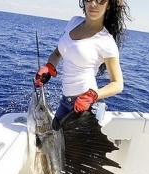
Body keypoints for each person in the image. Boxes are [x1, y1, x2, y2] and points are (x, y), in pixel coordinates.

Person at [35, 0, 132, 130]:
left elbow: (118, 84)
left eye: (100, 0)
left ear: (108, 4)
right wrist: (49, 66)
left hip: (88, 107)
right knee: (53, 143)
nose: (93, 4)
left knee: (73, 150)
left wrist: (92, 95)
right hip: (66, 102)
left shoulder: (106, 41)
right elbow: (58, 53)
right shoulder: (74, 21)